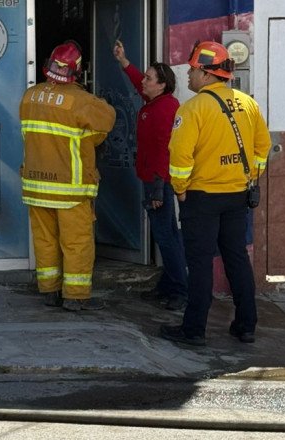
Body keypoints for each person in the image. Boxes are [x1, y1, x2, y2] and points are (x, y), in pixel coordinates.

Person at [159, 41, 272, 346]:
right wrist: (249, 177)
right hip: (237, 196)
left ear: (208, 74)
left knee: (200, 263)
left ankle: (194, 329)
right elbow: (263, 148)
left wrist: (180, 189)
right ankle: (246, 325)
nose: (188, 75)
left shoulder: (192, 109)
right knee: (237, 259)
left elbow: (180, 156)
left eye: (193, 70)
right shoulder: (248, 104)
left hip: (201, 198)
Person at [19, 41, 116, 311]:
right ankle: (74, 295)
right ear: (78, 71)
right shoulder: (81, 101)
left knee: (45, 241)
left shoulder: (29, 97)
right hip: (70, 189)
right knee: (76, 243)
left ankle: (49, 290)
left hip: (36, 186)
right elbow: (107, 119)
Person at [113, 40, 188, 311]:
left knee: (166, 237)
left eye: (149, 78)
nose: (143, 81)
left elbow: (164, 149)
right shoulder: (157, 102)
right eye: (144, 76)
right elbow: (137, 84)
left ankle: (180, 291)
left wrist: (157, 187)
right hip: (156, 179)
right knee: (169, 235)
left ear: (162, 85)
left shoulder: (165, 109)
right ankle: (169, 286)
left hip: (159, 182)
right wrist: (124, 61)